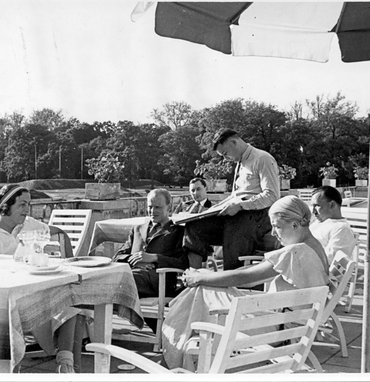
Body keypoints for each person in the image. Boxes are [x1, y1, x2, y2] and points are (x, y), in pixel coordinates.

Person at [161, 195, 329, 369]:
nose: (273, 233)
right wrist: (205, 275)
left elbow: (245, 279)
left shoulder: (295, 252)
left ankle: (172, 355)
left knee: (202, 289)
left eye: (276, 226)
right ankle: (174, 354)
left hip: (276, 332)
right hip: (288, 328)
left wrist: (198, 277)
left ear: (295, 225)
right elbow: (249, 272)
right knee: (203, 288)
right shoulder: (314, 248)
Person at [0, 184, 82, 373]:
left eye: (28, 204)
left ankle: (65, 364)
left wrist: (69, 262)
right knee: (57, 309)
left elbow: (59, 233)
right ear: (6, 205)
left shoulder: (29, 225)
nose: (27, 209)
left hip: (29, 290)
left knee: (68, 304)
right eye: (22, 204)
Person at [183, 128, 280, 270]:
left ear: (234, 142)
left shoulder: (262, 159)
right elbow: (235, 196)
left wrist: (241, 206)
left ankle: (234, 282)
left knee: (234, 228)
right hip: (240, 214)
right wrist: (209, 211)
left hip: (259, 215)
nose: (225, 158)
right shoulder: (240, 163)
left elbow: (272, 196)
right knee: (194, 227)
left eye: (225, 153)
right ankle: (195, 276)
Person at [117, 188, 188, 300]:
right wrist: (136, 261)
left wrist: (154, 258)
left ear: (169, 207)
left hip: (159, 280)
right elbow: (118, 256)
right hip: (134, 274)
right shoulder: (138, 229)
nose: (152, 211)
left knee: (120, 280)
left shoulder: (177, 231)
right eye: (150, 207)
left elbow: (183, 263)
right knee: (105, 277)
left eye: (158, 207)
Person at [309, 186, 357, 264]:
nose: (313, 211)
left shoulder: (341, 229)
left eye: (317, 206)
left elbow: (331, 261)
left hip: (314, 272)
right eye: (312, 206)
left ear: (332, 205)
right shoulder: (318, 223)